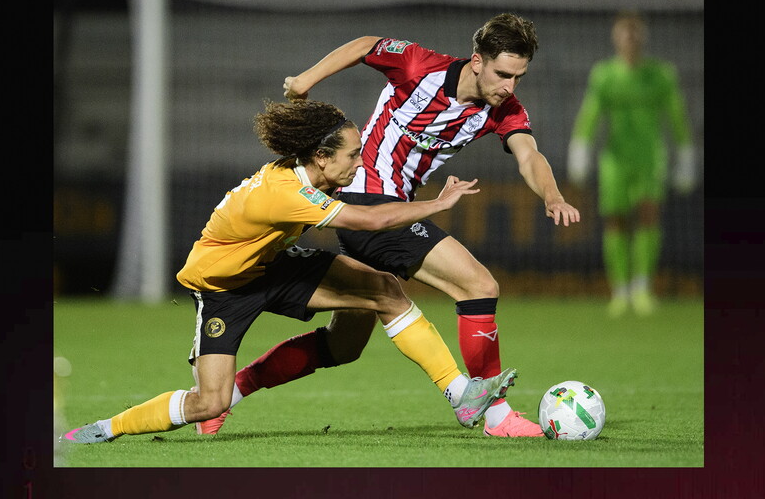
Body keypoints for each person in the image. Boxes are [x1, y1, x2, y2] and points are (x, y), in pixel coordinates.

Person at [196, 13, 580, 438]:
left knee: (344, 346)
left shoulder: (503, 109)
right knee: (479, 285)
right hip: (365, 204)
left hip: (386, 212)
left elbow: (529, 155)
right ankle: (495, 415)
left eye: (518, 77)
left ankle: (226, 396)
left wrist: (553, 195)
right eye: (503, 74)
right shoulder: (420, 67)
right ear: (477, 61)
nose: (509, 86)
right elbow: (365, 44)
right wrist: (306, 80)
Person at [61, 99, 518, 444]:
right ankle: (104, 429)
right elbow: (372, 220)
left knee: (382, 292)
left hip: (272, 266)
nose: (360, 164)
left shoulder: (305, 175)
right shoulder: (285, 192)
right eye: (354, 155)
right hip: (223, 289)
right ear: (322, 156)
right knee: (208, 402)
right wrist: (438, 204)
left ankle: (461, 394)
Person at [567, 10, 697, 318]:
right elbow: (591, 114)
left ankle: (642, 288)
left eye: (635, 33)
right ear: (616, 38)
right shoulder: (605, 74)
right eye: (624, 33)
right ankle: (620, 291)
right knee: (616, 220)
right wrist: (581, 148)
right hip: (615, 159)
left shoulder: (661, 74)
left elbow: (676, 116)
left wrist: (686, 155)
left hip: (650, 157)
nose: (630, 39)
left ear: (642, 37)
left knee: (648, 216)